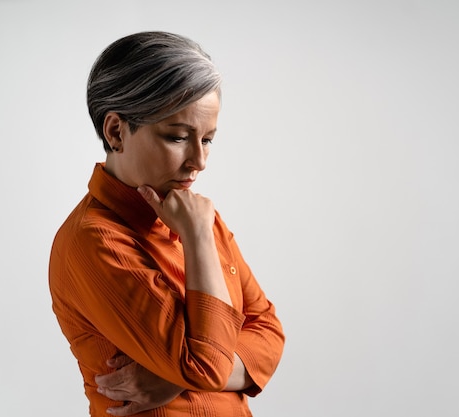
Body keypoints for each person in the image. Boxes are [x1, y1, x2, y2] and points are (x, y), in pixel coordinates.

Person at [49, 31, 285, 417]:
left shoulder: (196, 216)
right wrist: (197, 240)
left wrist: (176, 378)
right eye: (178, 137)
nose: (199, 161)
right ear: (115, 131)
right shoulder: (93, 241)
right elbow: (207, 366)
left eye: (207, 140)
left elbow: (269, 330)